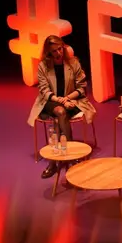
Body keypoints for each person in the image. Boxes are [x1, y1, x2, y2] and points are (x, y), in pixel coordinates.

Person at [28, 35, 96, 179]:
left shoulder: (73, 63)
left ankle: (53, 162)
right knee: (60, 111)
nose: (58, 53)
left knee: (59, 119)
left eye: (60, 49)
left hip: (72, 100)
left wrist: (67, 99)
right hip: (51, 100)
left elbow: (82, 87)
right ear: (48, 52)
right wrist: (60, 100)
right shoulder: (43, 66)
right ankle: (71, 156)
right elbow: (44, 90)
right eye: (54, 51)